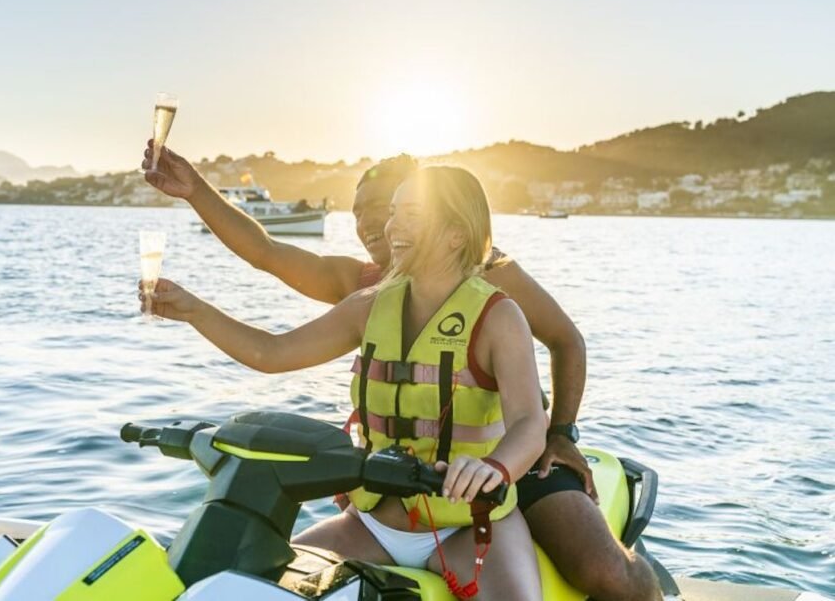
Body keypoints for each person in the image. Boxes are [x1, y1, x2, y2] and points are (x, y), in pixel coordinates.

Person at [142, 145, 662, 601]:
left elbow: (543, 385)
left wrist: (552, 439)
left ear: (455, 228)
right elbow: (270, 332)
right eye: (372, 213)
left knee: (601, 569)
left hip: (493, 486)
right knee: (252, 576)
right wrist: (193, 303)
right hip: (383, 509)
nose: (381, 226)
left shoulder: (496, 294)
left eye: (400, 210)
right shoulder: (366, 295)